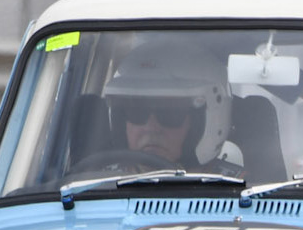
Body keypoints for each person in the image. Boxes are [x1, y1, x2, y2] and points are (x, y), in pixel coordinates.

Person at [98, 37, 242, 172]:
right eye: (136, 113)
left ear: (212, 121)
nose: (150, 128)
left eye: (170, 114)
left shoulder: (237, 191)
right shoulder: (95, 185)